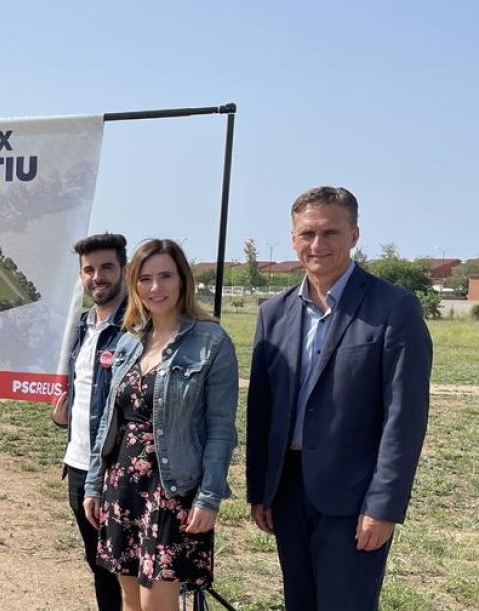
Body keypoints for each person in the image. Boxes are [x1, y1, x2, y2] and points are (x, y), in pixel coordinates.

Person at [246, 187, 432, 610]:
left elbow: (404, 417)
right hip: (288, 492)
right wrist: (261, 489)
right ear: (293, 238)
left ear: (355, 235)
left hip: (354, 499)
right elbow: (261, 409)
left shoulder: (394, 308)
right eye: (307, 233)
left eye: (330, 232)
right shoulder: (272, 314)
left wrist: (383, 505)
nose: (317, 245)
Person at [83, 238, 238, 611]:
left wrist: (209, 496)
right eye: (145, 278)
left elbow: (221, 428)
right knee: (131, 602)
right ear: (134, 284)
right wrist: (94, 482)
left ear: (183, 280)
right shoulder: (129, 341)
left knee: (159, 605)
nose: (156, 288)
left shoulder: (210, 341)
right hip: (123, 486)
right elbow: (110, 421)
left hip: (172, 489)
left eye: (165, 276)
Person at [51, 233, 128, 611]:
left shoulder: (137, 327)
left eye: (107, 267)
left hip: (119, 470)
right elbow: (84, 391)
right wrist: (61, 416)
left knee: (128, 569)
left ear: (124, 269)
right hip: (79, 465)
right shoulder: (81, 326)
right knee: (98, 564)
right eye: (89, 269)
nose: (98, 276)